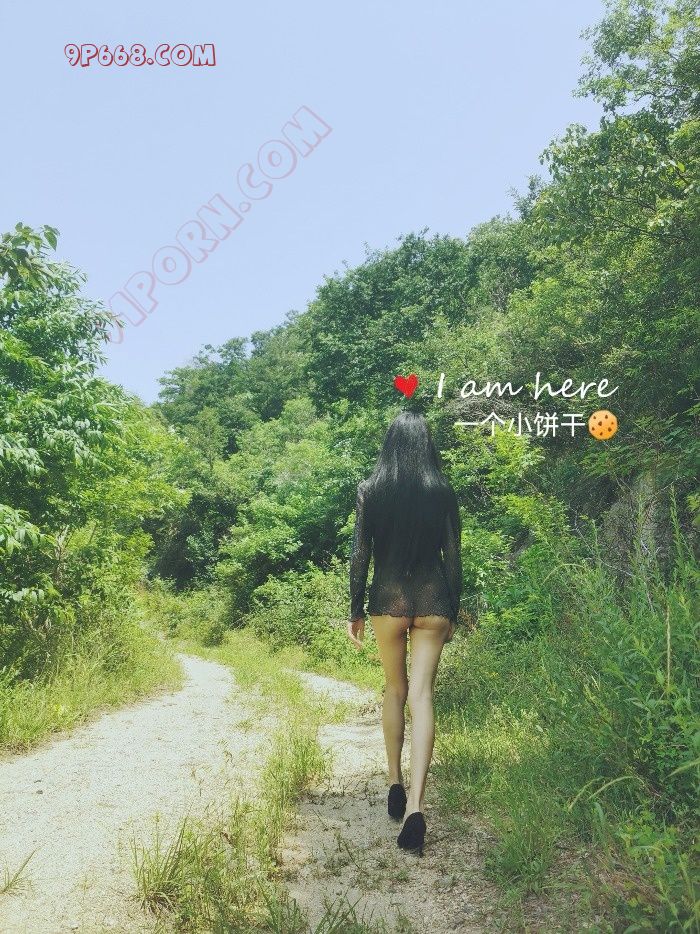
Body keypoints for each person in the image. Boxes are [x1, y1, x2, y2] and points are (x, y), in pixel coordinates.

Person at [346, 410, 462, 856]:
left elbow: (360, 553)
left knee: (395, 689)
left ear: (390, 443)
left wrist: (355, 609)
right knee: (423, 696)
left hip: (388, 600)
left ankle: (394, 781)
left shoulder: (371, 489)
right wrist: (453, 610)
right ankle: (415, 805)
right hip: (433, 599)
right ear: (426, 444)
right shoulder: (442, 490)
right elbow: (453, 556)